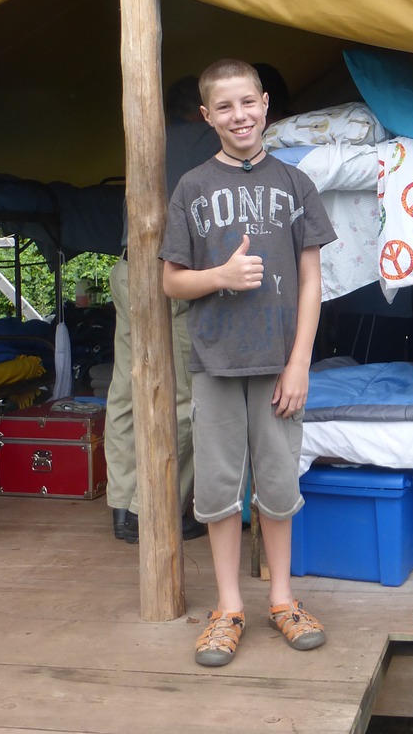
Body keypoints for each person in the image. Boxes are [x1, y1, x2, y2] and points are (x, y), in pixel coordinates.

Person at [161, 58, 336, 668]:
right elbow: (172, 282)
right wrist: (221, 276)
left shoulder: (295, 184)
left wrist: (300, 364)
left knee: (280, 486)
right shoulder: (191, 187)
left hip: (278, 364)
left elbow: (313, 283)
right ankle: (229, 607)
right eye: (225, 107)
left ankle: (282, 599)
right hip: (214, 365)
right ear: (207, 116)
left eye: (248, 103)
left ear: (266, 104)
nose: (240, 116)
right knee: (216, 490)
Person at [106, 75, 219, 544]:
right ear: (203, 109)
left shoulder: (148, 137)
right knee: (185, 397)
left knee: (126, 390)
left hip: (128, 268)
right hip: (173, 276)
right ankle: (158, 506)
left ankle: (122, 505)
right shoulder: (210, 140)